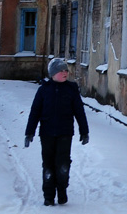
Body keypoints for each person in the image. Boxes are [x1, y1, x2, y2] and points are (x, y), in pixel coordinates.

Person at [24, 57, 89, 206]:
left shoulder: (71, 90)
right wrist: (30, 132)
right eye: (61, 70)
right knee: (48, 165)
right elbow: (35, 112)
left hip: (65, 133)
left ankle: (62, 192)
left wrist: (84, 131)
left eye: (66, 70)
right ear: (53, 73)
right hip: (46, 134)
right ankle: (48, 196)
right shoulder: (43, 91)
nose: (65, 72)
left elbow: (79, 112)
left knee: (63, 165)